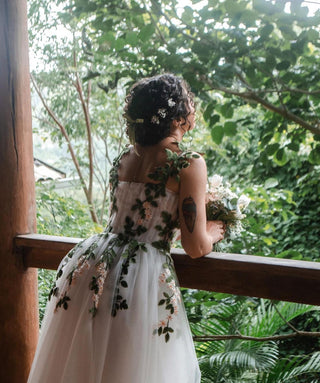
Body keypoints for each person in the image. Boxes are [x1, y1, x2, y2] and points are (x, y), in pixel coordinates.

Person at [27, 73, 225, 383]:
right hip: (140, 276)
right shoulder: (188, 162)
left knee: (90, 362)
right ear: (178, 112)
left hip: (96, 264)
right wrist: (215, 231)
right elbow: (195, 246)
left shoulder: (125, 158)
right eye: (188, 98)